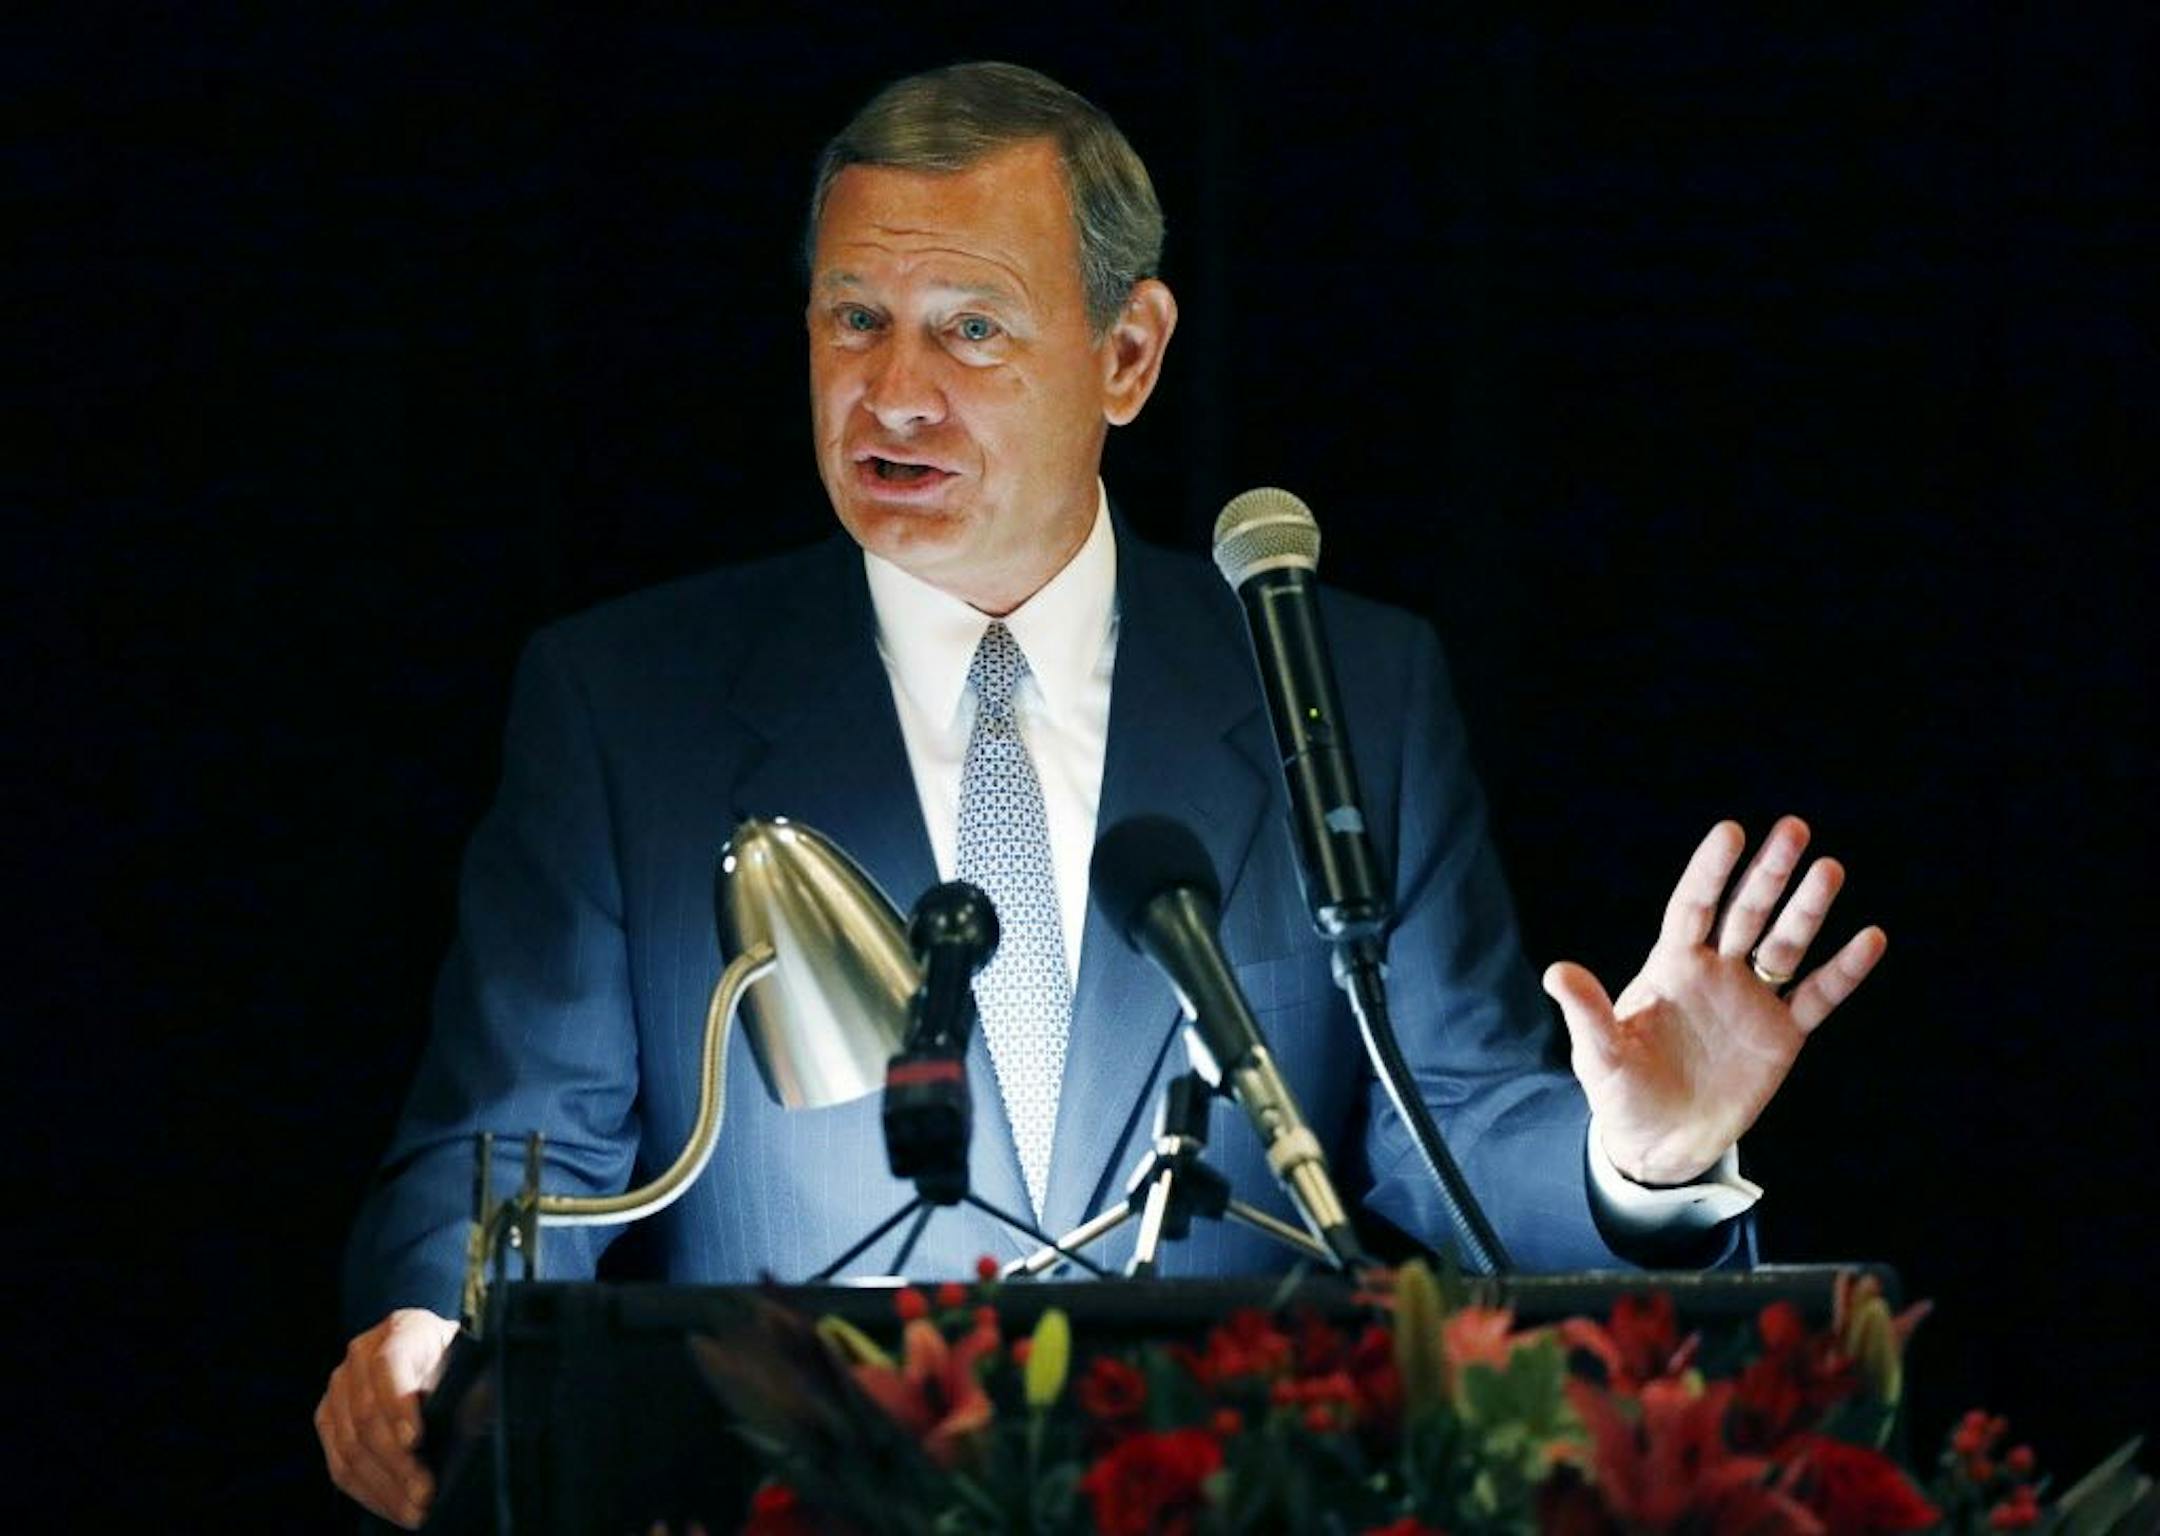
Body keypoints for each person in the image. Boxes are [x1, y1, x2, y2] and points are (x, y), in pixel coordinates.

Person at [314, 62, 1886, 1527]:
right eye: (852, 318)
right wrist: (428, 1331)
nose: (896, 393)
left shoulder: (1337, 692)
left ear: (1127, 355)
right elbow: (522, 1147)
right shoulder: (628, 707)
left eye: (971, 329)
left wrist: (1647, 1158)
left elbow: (1453, 1136)